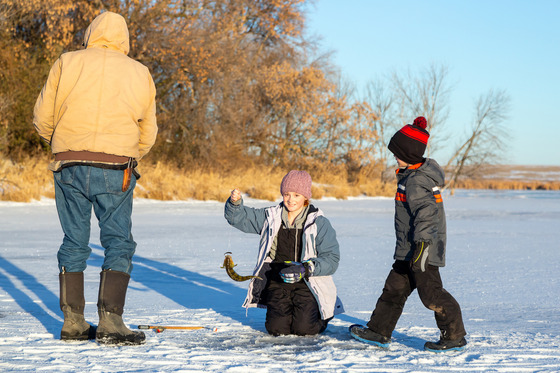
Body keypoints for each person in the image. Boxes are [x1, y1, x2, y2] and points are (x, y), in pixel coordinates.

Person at [33, 11, 157, 345]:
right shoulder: (140, 72)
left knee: (74, 240)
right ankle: (111, 322)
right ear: (124, 38)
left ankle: (73, 322)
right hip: (116, 168)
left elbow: (42, 116)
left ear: (91, 32)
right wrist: (131, 154)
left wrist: (62, 146)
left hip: (68, 163)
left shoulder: (67, 61)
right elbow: (148, 130)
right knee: (118, 241)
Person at [350, 117, 467, 352]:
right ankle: (378, 331)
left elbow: (427, 213)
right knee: (393, 289)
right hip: (408, 250)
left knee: (431, 295)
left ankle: (454, 336)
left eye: (397, 152)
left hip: (422, 250)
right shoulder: (411, 176)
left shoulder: (415, 181)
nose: (394, 156)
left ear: (410, 154)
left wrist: (422, 247)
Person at [224, 170, 344, 336]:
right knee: (277, 329)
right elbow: (240, 218)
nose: (291, 199)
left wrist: (306, 268)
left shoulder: (319, 223)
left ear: (306, 196)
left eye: (296, 195)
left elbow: (331, 259)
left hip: (308, 282)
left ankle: (322, 315)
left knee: (304, 329)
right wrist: (234, 204)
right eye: (287, 194)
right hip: (278, 279)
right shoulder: (270, 217)